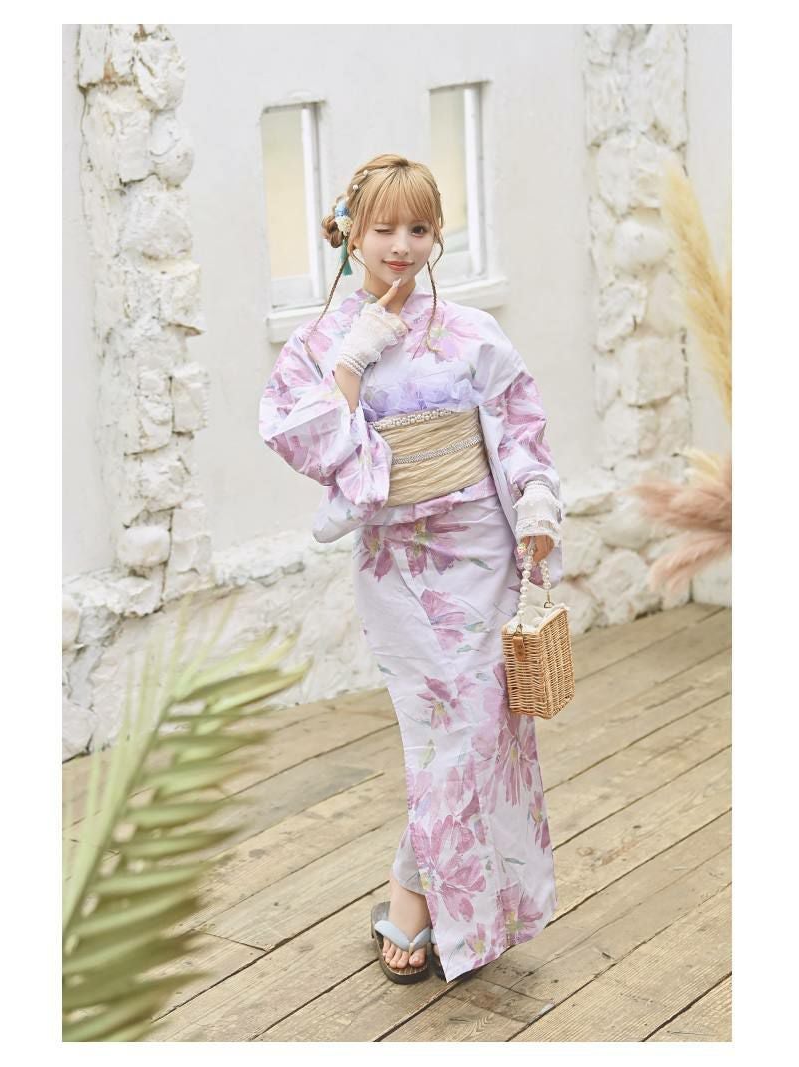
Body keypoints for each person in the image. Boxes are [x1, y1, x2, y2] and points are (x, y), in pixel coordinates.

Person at [258, 153, 563, 984]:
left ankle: (412, 901)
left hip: (480, 546)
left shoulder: (470, 331)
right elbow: (297, 436)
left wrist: (537, 499)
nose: (401, 245)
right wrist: (351, 361)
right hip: (397, 559)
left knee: (482, 729)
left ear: (437, 235)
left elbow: (518, 422)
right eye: (383, 228)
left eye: (419, 228)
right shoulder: (320, 342)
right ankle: (418, 896)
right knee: (446, 730)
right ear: (350, 234)